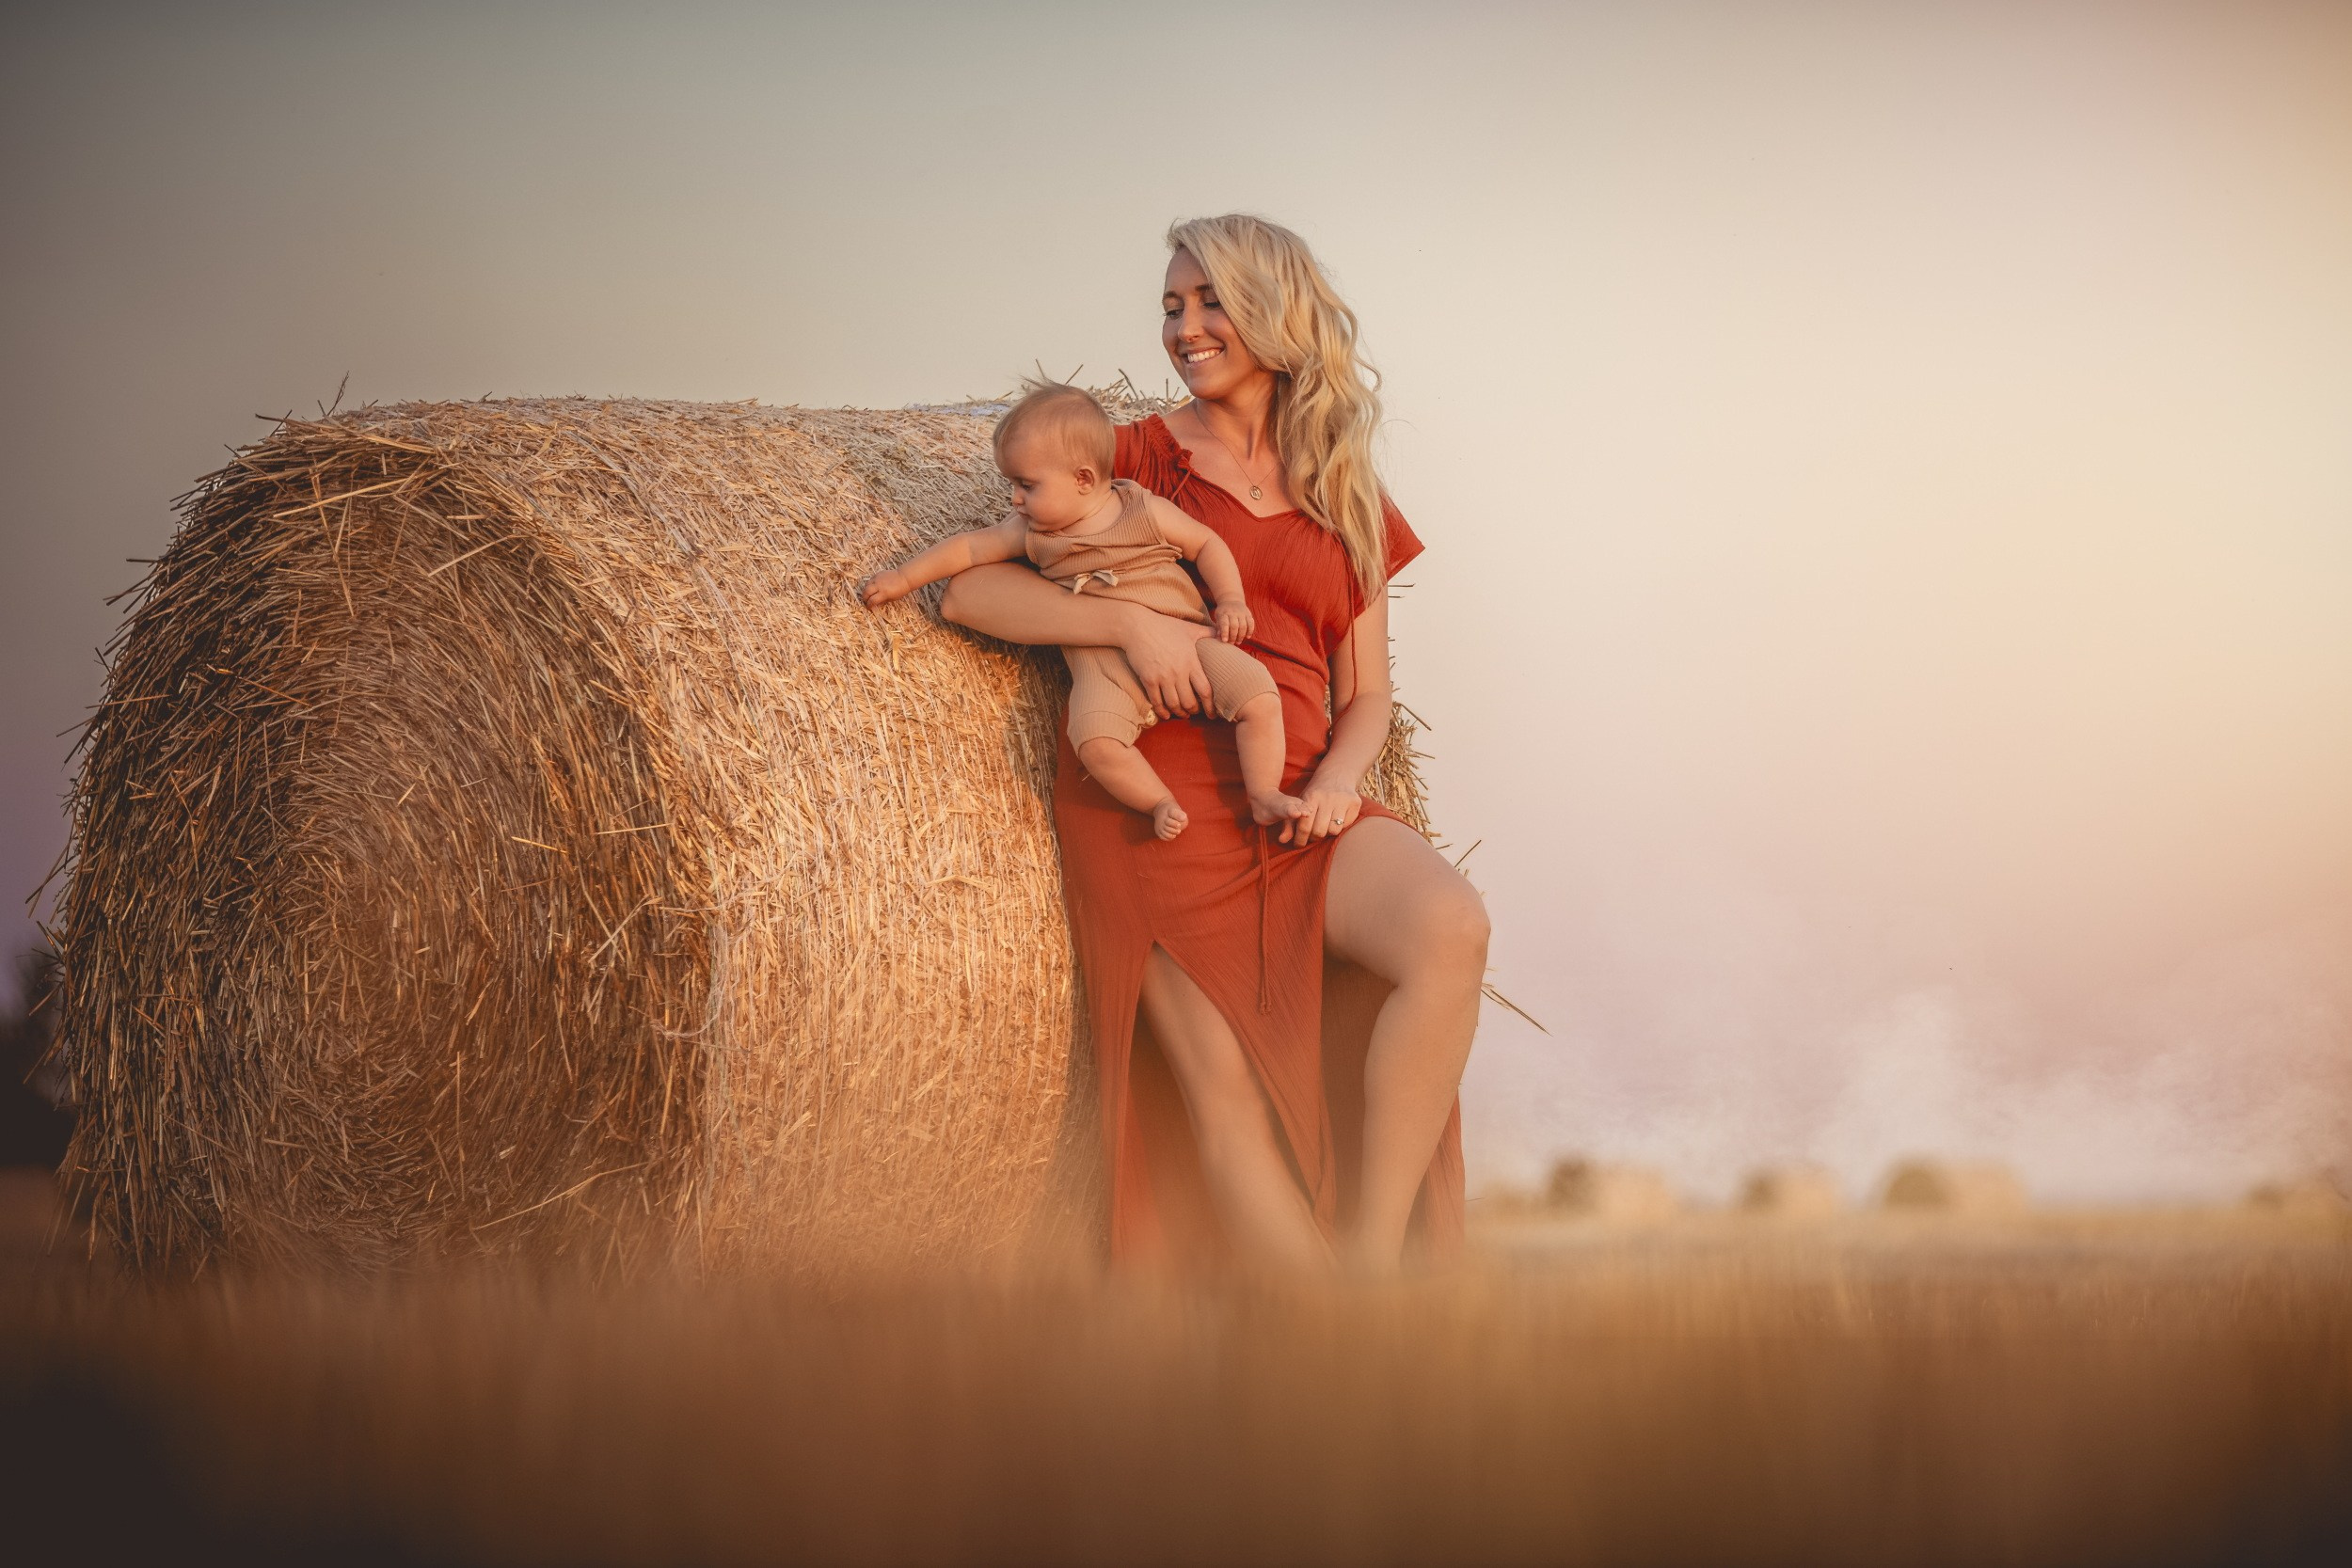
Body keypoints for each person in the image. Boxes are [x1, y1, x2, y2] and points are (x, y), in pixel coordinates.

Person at [941, 214, 1487, 1275]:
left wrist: (1339, 780)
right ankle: (1332, 1345)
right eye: (1171, 306)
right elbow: (971, 586)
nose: (1185, 327)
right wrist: (1130, 624)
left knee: (1451, 928)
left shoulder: (1347, 490)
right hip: (1160, 797)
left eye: (1209, 301)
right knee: (1222, 1088)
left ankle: (1374, 1268)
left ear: (1277, 313)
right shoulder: (1130, 461)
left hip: (1298, 786)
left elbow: (1366, 692)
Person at [860, 384, 1305, 839]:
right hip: (1103, 670)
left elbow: (1206, 542)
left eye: (1027, 486)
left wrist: (1230, 599)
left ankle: (1264, 793)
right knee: (1094, 742)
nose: (1014, 499)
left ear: (1084, 479)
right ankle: (1158, 801)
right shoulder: (1033, 532)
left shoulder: (1142, 510)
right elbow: (971, 549)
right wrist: (904, 578)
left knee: (1260, 696)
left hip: (1189, 646)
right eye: (1012, 484)